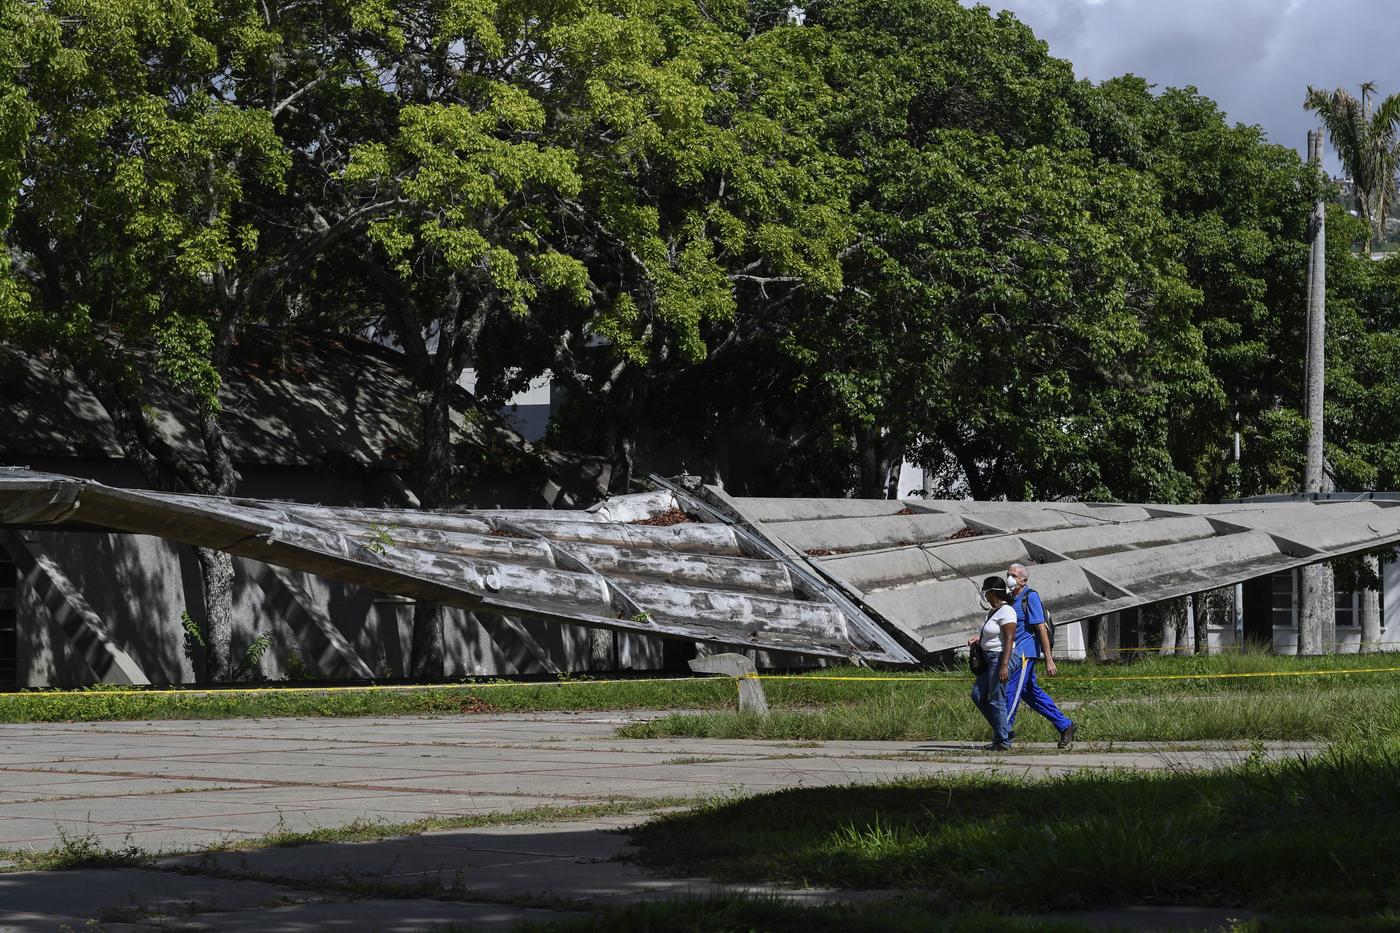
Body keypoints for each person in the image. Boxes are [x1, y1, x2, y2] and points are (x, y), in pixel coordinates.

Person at [1005, 562, 1076, 748]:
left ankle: (1003, 735)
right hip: (1014, 653)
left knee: (1011, 693)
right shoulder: (1010, 599)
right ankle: (1065, 725)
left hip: (1025, 654)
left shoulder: (1031, 597)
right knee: (1031, 694)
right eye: (1008, 574)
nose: (1009, 578)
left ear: (1023, 580)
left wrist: (1049, 659)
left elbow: (1040, 629)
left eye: (1013, 575)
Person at [968, 575, 1023, 751]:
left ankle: (1003, 741)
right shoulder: (993, 612)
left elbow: (1009, 639)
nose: (984, 595)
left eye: (985, 591)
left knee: (996, 698)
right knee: (978, 694)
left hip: (1001, 658)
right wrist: (979, 638)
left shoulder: (1008, 611)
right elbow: (993, 633)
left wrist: (1004, 665)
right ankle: (1004, 730)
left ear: (991, 593)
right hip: (989, 657)